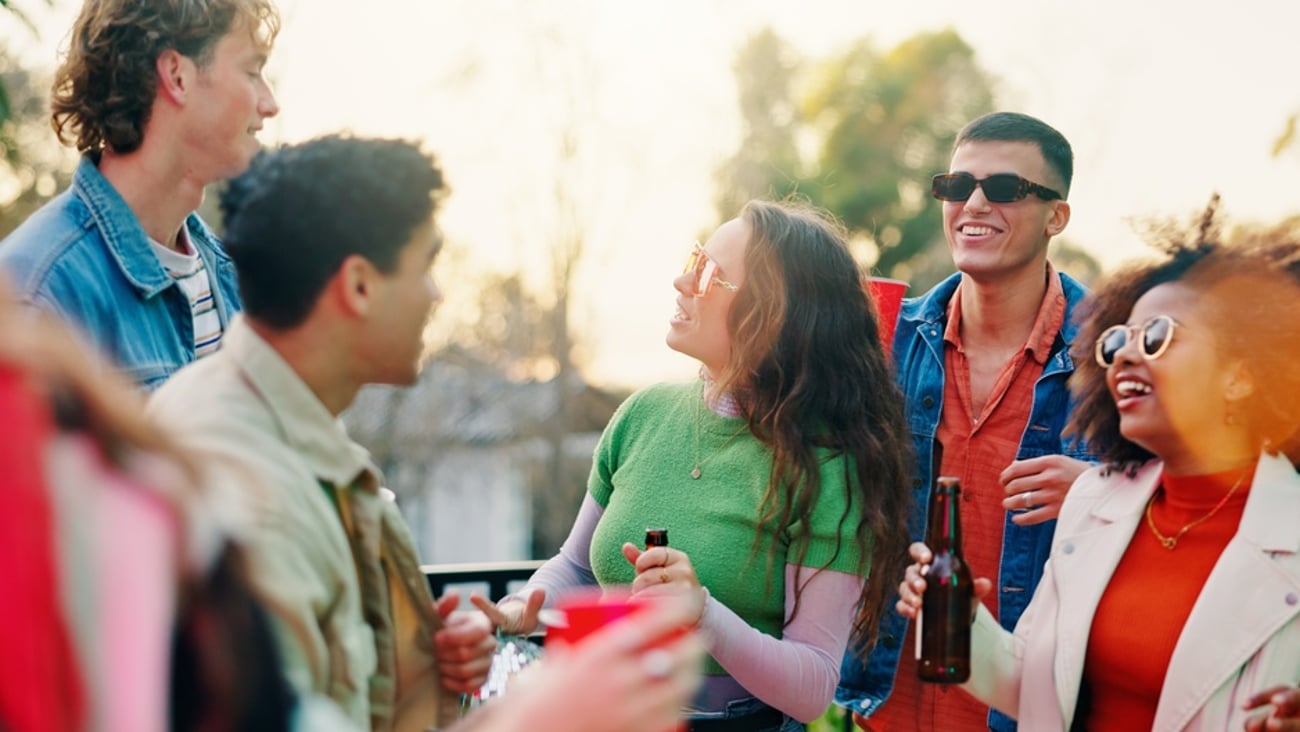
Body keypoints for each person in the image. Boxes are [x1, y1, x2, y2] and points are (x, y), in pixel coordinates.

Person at [476, 199, 915, 731]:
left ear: (773, 315)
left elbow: (813, 687)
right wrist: (525, 604)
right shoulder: (643, 413)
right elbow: (576, 566)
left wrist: (701, 612)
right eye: (694, 259)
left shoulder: (827, 470)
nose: (683, 281)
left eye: (709, 274)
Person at [896, 213, 1300, 731]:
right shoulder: (1095, 500)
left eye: (1158, 336)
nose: (1126, 355)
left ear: (1241, 377)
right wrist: (965, 624)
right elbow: (1039, 691)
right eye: (1115, 341)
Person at [836, 111, 1096, 732]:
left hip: (1027, 706)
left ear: (1056, 216)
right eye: (957, 186)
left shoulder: (1110, 350)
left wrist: (1095, 492)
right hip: (887, 700)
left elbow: (1191, 491)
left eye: (1005, 189)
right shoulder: (886, 338)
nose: (974, 203)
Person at [0, 0, 281, 389]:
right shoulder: (39, 292)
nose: (270, 104)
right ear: (177, 76)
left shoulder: (231, 277)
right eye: (252, 72)